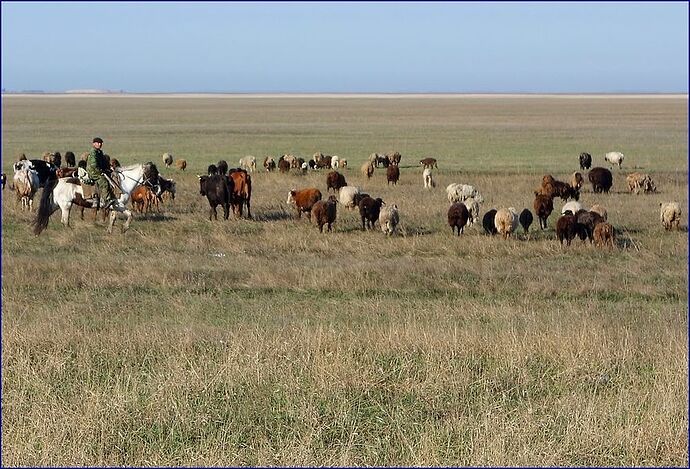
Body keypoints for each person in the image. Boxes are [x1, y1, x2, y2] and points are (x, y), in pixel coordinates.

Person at [86, 137, 117, 208]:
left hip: (99, 170)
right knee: (103, 181)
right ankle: (107, 199)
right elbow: (94, 165)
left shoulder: (99, 152)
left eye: (101, 143)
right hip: (93, 172)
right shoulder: (93, 152)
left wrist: (109, 167)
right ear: (94, 144)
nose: (100, 144)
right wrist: (101, 172)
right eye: (98, 143)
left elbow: (104, 162)